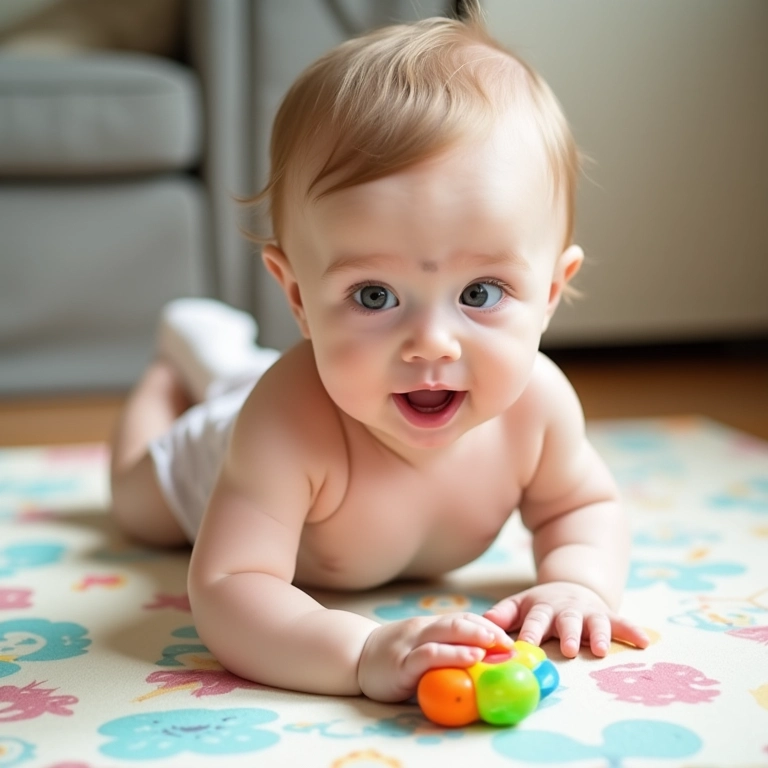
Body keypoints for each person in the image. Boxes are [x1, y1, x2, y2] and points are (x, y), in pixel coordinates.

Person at [110, 12, 649, 703]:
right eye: (373, 295)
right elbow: (229, 586)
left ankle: (220, 349)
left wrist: (578, 581)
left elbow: (584, 504)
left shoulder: (539, 407)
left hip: (338, 375)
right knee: (135, 506)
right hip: (221, 449)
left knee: (244, 374)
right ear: (298, 295)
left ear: (550, 292)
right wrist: (359, 651)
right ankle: (171, 364)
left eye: (480, 292)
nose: (431, 342)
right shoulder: (286, 422)